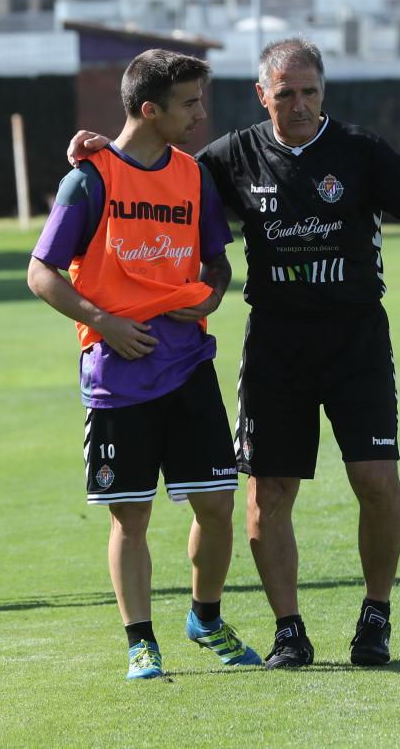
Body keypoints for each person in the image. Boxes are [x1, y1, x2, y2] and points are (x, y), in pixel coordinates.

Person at [70, 38, 400, 669]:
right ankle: (289, 631)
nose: (300, 105)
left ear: (324, 91)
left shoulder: (360, 149)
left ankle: (375, 615)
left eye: (311, 92)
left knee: (375, 480)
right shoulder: (227, 158)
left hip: (355, 338)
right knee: (269, 488)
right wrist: (97, 150)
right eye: (287, 93)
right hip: (275, 342)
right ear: (262, 94)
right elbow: (153, 162)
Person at [28, 49, 263, 680]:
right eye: (189, 103)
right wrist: (105, 323)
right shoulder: (89, 178)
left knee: (216, 506)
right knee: (131, 515)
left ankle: (205, 618)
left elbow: (217, 262)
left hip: (189, 365)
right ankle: (140, 642)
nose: (200, 114)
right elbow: (40, 273)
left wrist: (212, 294)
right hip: (117, 372)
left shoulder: (193, 176)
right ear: (150, 109)